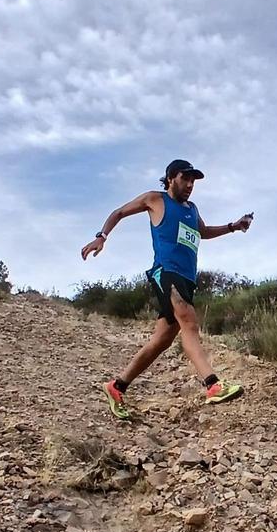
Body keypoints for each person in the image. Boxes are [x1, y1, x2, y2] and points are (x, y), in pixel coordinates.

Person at [81, 159, 253, 421]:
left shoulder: (192, 209)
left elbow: (203, 231)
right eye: (186, 179)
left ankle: (117, 387)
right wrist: (101, 236)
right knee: (189, 322)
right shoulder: (155, 199)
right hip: (166, 271)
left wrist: (233, 227)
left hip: (187, 277)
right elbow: (118, 212)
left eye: (193, 181)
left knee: (163, 339)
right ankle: (213, 384)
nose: (190, 185)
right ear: (172, 177)